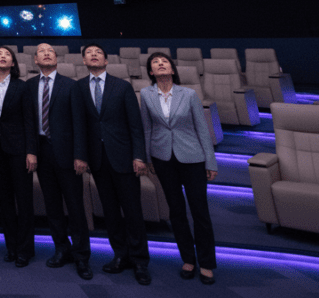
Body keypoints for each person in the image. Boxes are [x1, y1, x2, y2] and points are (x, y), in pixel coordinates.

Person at [140, 52, 218, 285]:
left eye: (165, 61)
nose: (161, 64)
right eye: (155, 63)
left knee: (200, 211)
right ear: (151, 72)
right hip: (162, 157)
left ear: (172, 70)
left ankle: (206, 262)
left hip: (192, 157)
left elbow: (202, 129)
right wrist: (147, 159)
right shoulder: (145, 94)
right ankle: (188, 259)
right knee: (176, 211)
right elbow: (146, 128)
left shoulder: (189, 94)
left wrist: (210, 161)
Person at [78, 42, 151, 286]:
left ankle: (140, 261)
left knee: (132, 211)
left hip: (124, 158)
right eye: (89, 53)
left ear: (106, 61)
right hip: (98, 160)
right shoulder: (78, 88)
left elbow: (135, 126)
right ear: (84, 61)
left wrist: (139, 156)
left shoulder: (122, 86)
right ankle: (120, 255)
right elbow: (81, 126)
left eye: (98, 52)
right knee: (109, 212)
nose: (94, 55)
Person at [25, 43, 92, 280]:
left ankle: (82, 256)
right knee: (52, 207)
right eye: (41, 51)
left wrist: (80, 155)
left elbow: (79, 123)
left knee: (75, 207)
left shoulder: (71, 85)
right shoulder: (29, 86)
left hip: (68, 155)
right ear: (35, 60)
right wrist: (31, 151)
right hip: (42, 155)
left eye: (50, 51)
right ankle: (61, 249)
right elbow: (29, 124)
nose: (46, 53)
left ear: (57, 58)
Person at [0, 45, 37, 267]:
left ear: (13, 63)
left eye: (7, 55)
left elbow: (29, 120)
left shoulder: (21, 86)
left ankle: (25, 249)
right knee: (5, 202)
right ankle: (11, 246)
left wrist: (31, 151)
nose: (3, 57)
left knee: (23, 201)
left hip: (19, 150)